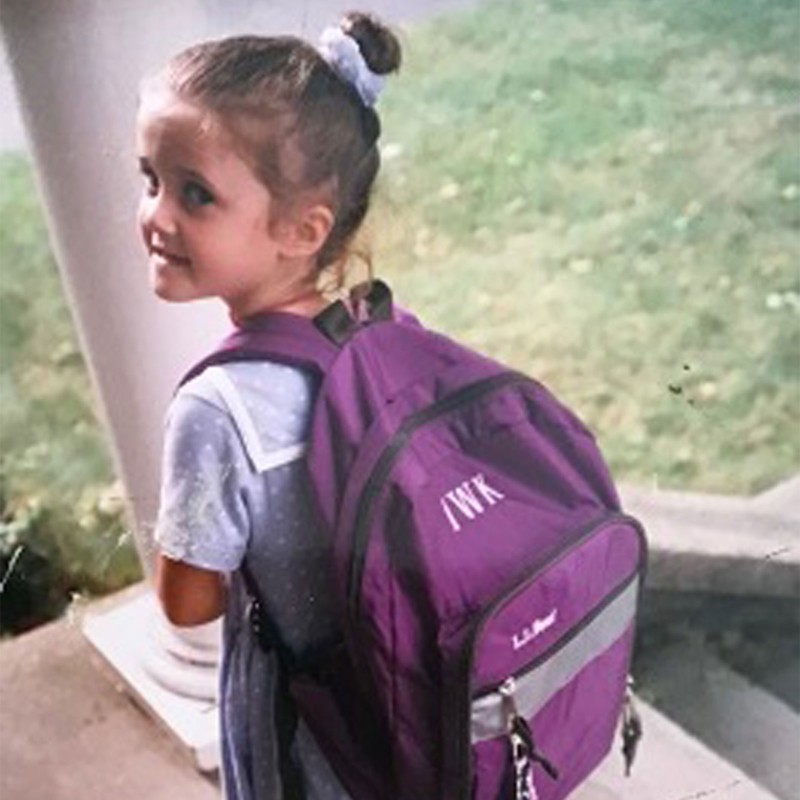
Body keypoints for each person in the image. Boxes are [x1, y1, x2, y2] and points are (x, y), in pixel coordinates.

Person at [136, 12, 402, 799]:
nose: (157, 216)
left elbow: (187, 602)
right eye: (150, 180)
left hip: (313, 740)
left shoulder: (217, 410)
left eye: (195, 194)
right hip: (404, 710)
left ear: (301, 229)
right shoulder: (378, 333)